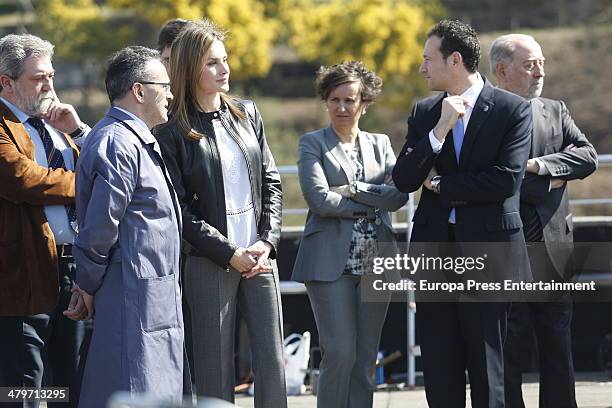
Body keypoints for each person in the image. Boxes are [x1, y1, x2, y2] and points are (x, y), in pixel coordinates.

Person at [392, 20, 533, 407]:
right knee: (439, 365)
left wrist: (441, 186)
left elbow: (505, 180)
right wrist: (438, 133)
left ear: (455, 60)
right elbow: (404, 179)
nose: (422, 68)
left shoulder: (512, 109)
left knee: (490, 366)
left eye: (427, 59)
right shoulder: (425, 113)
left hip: (492, 254)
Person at [154, 20, 286, 407]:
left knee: (273, 362)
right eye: (213, 62)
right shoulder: (171, 131)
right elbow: (179, 210)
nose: (224, 69)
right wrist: (229, 253)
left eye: (225, 60)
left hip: (260, 259)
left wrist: (267, 240)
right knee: (215, 371)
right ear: (190, 68)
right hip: (210, 264)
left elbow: (272, 182)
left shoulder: (247, 113)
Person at [72, 46, 186, 408]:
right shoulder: (116, 142)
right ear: (139, 91)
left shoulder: (136, 139)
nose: (170, 94)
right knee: (130, 388)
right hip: (131, 291)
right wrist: (87, 283)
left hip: (151, 291)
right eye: (163, 85)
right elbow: (99, 228)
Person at [490, 33, 597, 408]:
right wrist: (545, 182)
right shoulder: (483, 113)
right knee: (507, 348)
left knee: (557, 346)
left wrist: (541, 166)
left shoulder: (555, 109)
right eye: (530, 64)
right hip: (504, 248)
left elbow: (587, 156)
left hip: (553, 249)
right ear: (501, 70)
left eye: (542, 63)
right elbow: (495, 182)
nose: (539, 72)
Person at [291, 61, 407, 408]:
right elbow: (319, 199)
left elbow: (398, 197)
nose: (342, 107)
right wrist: (372, 199)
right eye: (335, 99)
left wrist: (352, 188)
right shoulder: (312, 143)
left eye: (350, 100)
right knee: (340, 352)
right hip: (329, 263)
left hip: (377, 262)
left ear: (364, 103)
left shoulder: (381, 143)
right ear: (326, 101)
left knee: (365, 357)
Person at [0, 33, 89, 408]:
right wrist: (87, 185)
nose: (49, 85)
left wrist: (79, 131)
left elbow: (108, 168)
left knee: (67, 385)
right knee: (22, 388)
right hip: (21, 276)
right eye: (38, 77)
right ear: (6, 82)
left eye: (51, 75)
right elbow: (24, 179)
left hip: (72, 269)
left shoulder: (57, 124)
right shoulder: (4, 125)